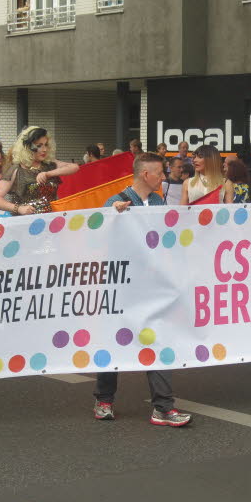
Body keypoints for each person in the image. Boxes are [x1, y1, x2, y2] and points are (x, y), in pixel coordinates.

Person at [95, 152, 193, 426]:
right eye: (159, 172)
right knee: (114, 340)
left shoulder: (159, 201)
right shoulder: (115, 203)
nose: (164, 176)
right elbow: (100, 238)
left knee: (158, 340)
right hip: (121, 287)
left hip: (151, 287)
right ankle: (104, 400)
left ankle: (163, 406)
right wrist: (111, 218)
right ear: (144, 175)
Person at [0, 126, 78, 215]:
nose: (44, 149)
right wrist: (18, 208)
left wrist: (48, 174)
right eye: (39, 146)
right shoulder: (16, 169)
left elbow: (74, 167)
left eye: (46, 144)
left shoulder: (50, 164)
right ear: (27, 147)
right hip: (27, 223)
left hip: (52, 221)